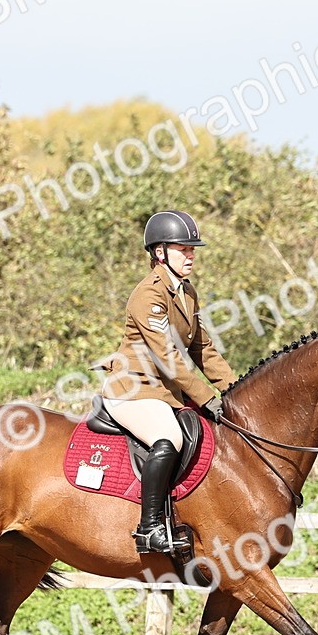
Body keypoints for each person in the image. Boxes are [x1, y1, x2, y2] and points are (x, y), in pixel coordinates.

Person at [96, 210, 237, 554]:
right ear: (160, 253)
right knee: (169, 436)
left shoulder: (187, 293)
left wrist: (234, 390)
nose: (190, 255)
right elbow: (169, 357)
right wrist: (208, 398)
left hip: (163, 393)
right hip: (133, 390)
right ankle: (149, 528)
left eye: (192, 250)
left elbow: (203, 348)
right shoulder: (148, 295)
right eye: (182, 249)